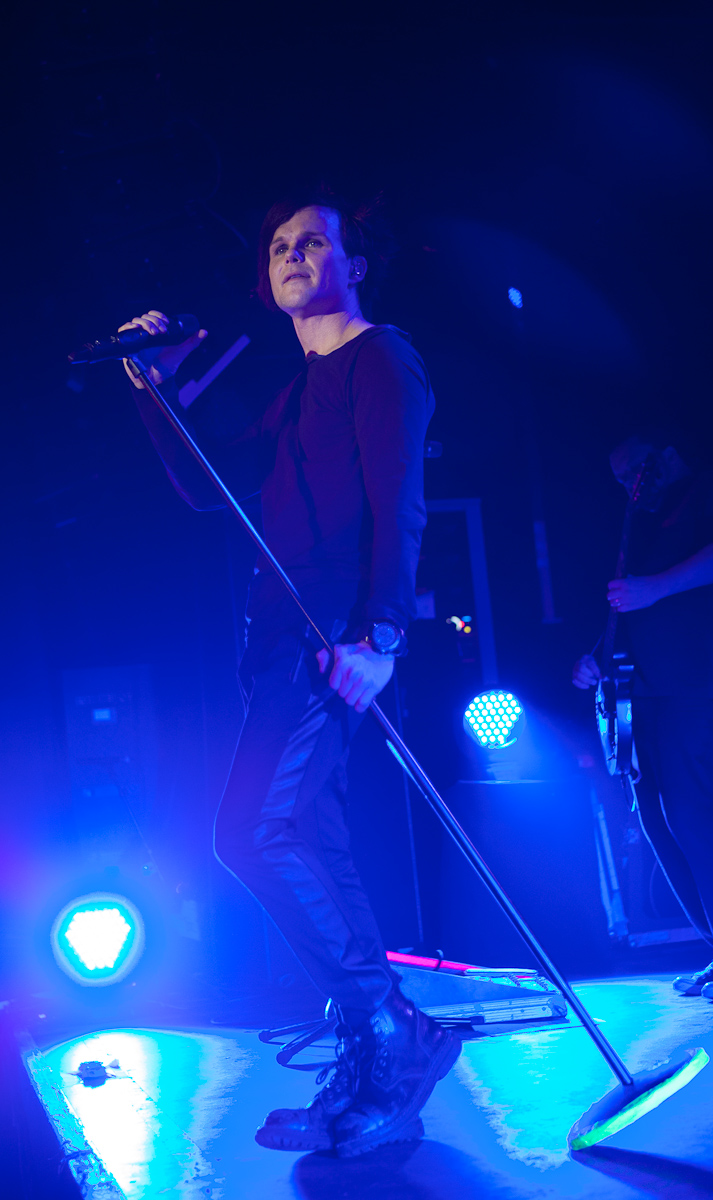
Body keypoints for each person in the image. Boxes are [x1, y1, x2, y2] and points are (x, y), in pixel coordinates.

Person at [121, 192, 461, 1156]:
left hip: (332, 640)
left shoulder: (380, 357)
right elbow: (208, 489)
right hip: (280, 643)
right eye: (278, 246)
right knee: (309, 834)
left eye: (314, 242)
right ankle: (374, 1055)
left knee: (252, 831)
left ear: (357, 264)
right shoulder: (299, 390)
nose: (292, 255)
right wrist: (152, 386)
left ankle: (394, 1026)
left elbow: (400, 498)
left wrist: (383, 636)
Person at [573, 431, 713, 1001]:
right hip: (645, 692)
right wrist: (597, 657)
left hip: (699, 683)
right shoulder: (651, 526)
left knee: (695, 812)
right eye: (621, 479)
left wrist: (655, 587)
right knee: (657, 819)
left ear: (666, 454)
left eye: (635, 470)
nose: (631, 485)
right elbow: (635, 608)